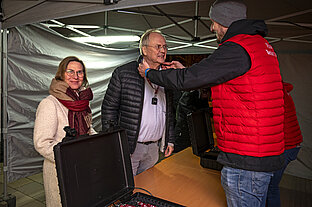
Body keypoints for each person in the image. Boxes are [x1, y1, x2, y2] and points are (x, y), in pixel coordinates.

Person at [138, 0, 285, 206]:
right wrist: (187, 73)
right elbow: (226, 81)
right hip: (261, 151)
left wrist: (149, 73)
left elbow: (189, 79)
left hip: (247, 157)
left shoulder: (236, 47)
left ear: (224, 22)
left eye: (214, 22)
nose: (211, 27)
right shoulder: (258, 45)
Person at [101, 29, 175, 176]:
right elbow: (109, 109)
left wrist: (170, 140)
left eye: (165, 47)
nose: (162, 51)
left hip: (154, 148)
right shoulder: (123, 73)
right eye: (158, 46)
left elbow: (170, 113)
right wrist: (115, 144)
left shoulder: (167, 76)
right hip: (130, 148)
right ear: (144, 50)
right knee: (127, 191)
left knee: (147, 188)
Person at [33, 56, 95, 207]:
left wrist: (97, 143)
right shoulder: (49, 104)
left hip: (83, 166)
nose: (76, 76)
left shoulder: (83, 102)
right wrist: (69, 157)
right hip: (60, 170)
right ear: (61, 74)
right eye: (70, 71)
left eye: (80, 72)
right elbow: (42, 143)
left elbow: (88, 129)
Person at [266, 81, 303, 207]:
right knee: (270, 186)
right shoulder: (281, 91)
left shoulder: (275, 94)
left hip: (286, 146)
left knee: (270, 187)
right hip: (292, 145)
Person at [174, 88, 210, 153]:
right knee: (181, 144)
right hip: (184, 124)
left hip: (194, 124)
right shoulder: (190, 93)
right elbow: (184, 106)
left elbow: (205, 109)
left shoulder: (203, 97)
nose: (207, 96)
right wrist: (196, 112)